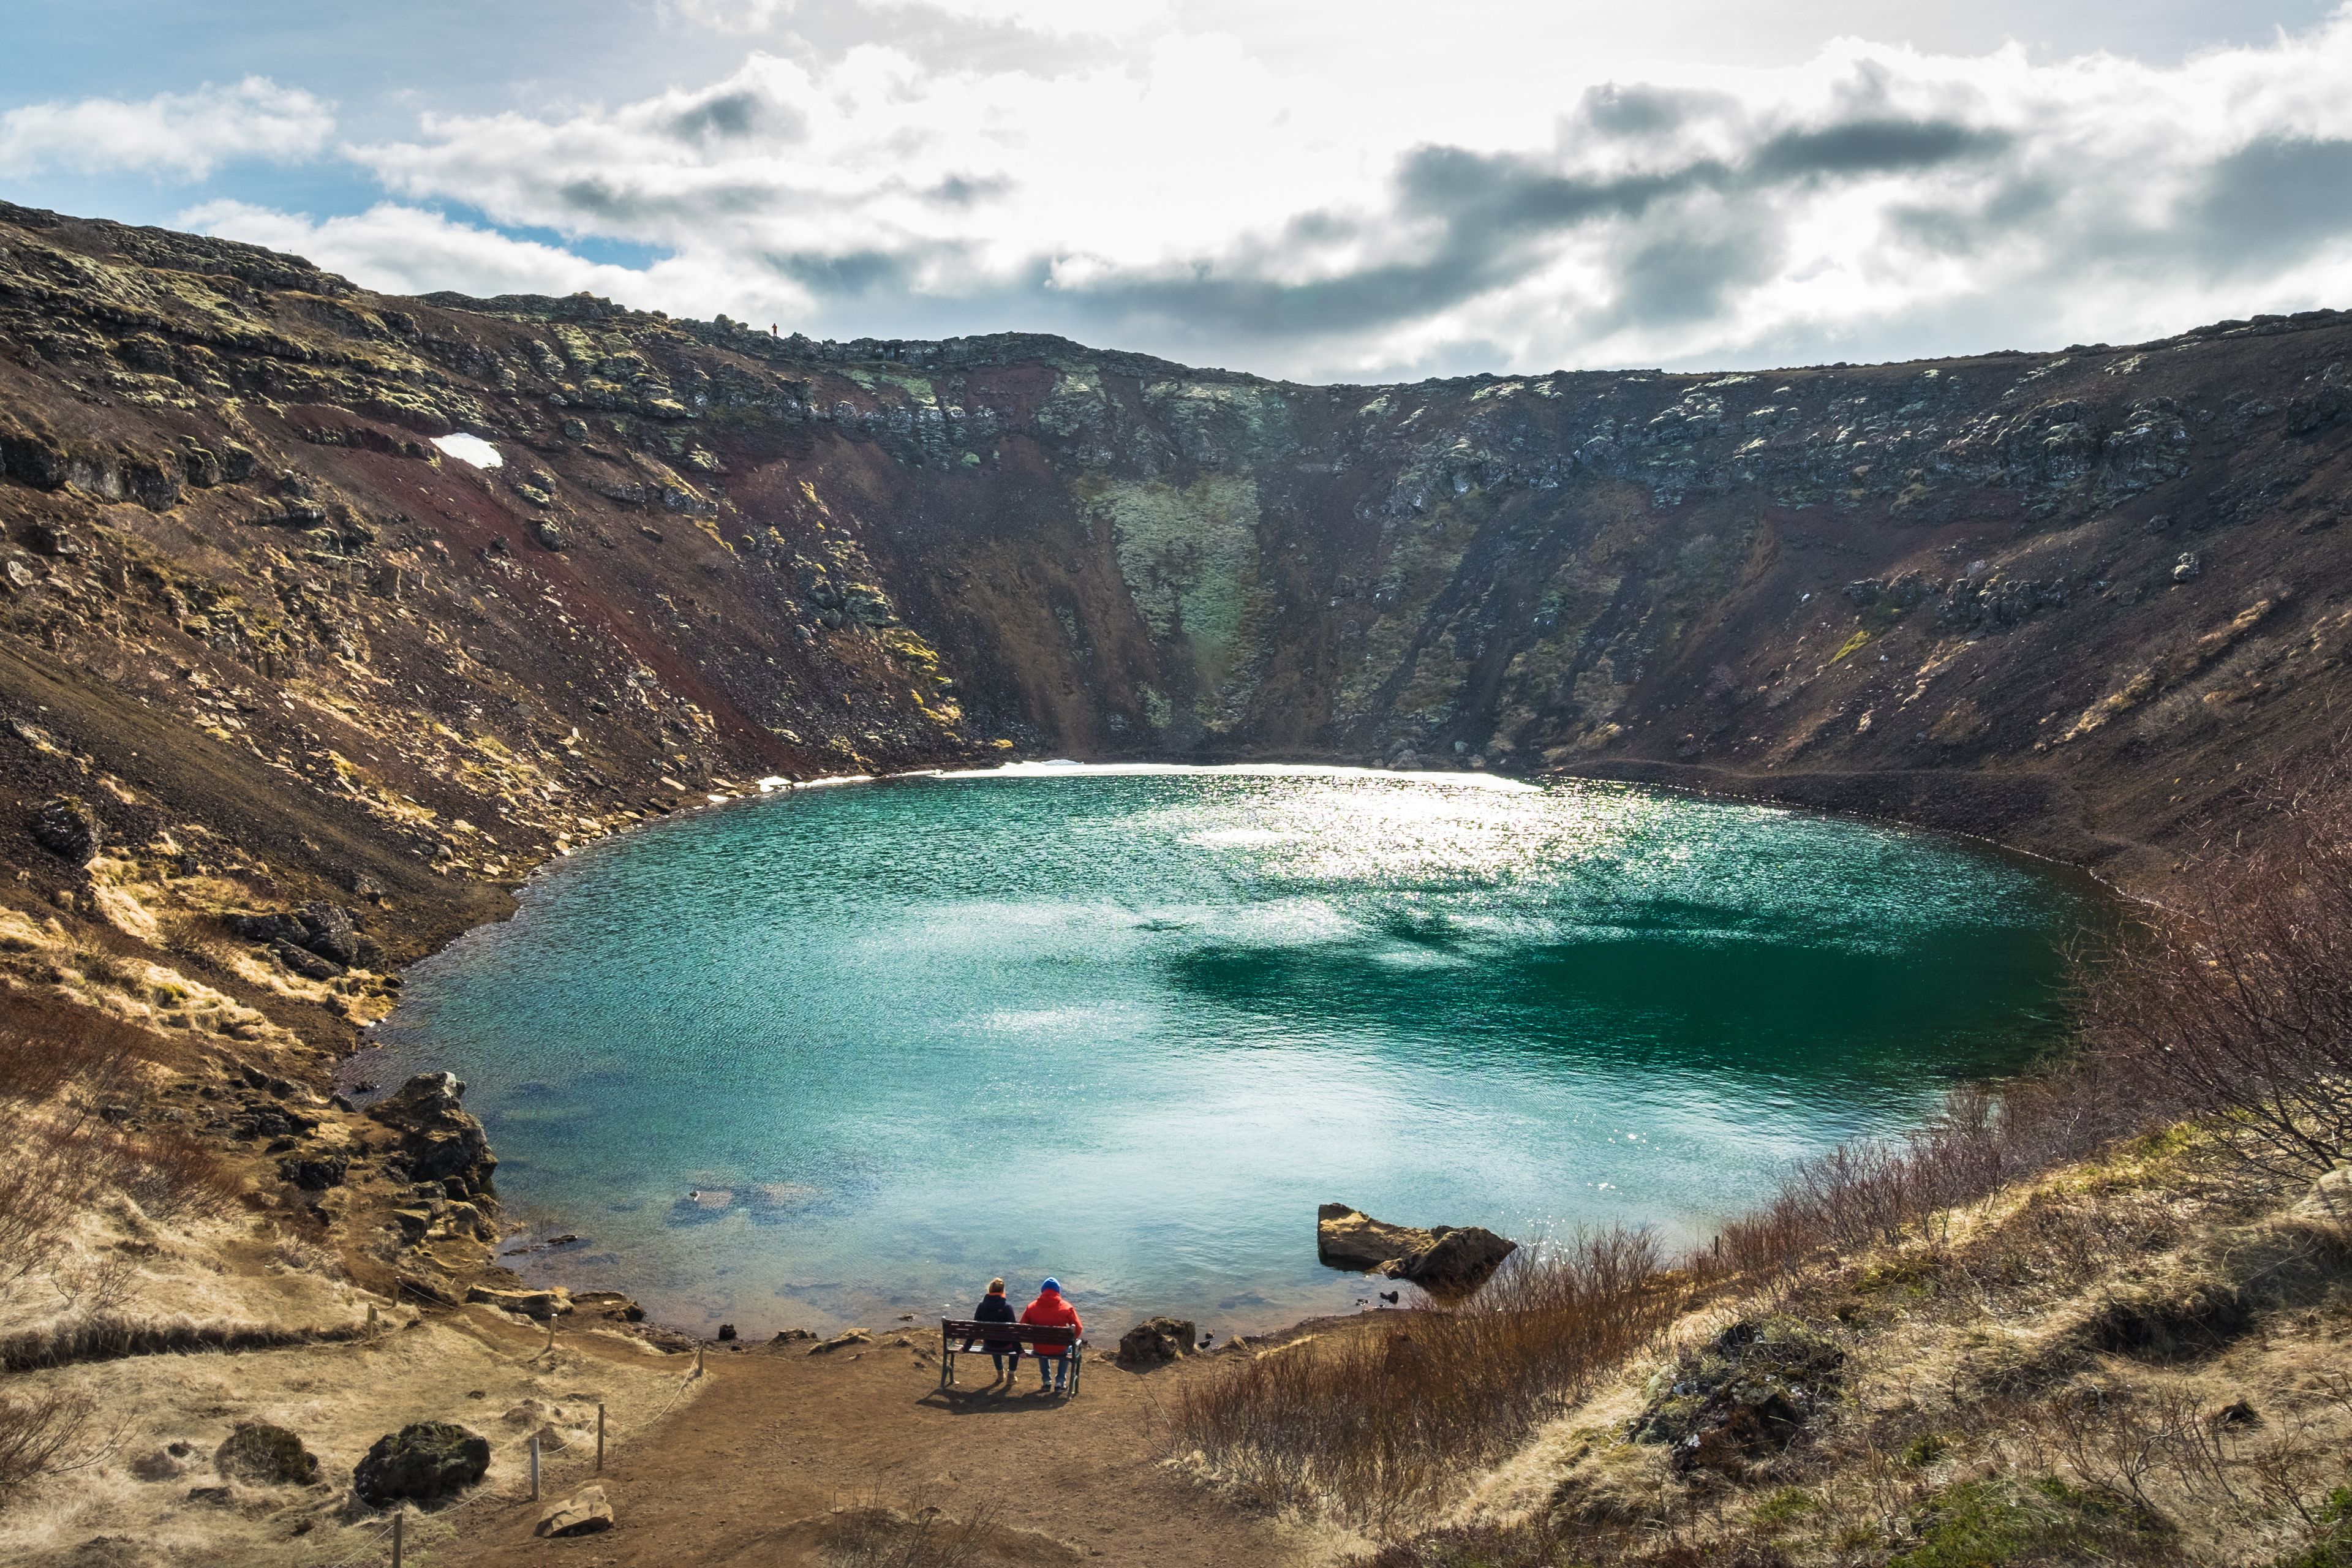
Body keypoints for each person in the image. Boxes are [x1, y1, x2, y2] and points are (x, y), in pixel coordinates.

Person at [1019, 1276, 1082, 1394]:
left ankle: (1047, 1382)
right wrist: (1072, 1339)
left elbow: (1022, 1327)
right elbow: (1078, 1328)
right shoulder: (1067, 1308)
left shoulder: (1031, 1307)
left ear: (1043, 1290)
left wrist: (1034, 1336)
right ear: (1058, 1291)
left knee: (1042, 1345)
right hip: (1060, 1350)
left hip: (1039, 1349)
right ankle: (1060, 1382)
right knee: (1070, 1346)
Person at [972, 1277, 1019, 1381]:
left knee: (992, 1338)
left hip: (989, 1345)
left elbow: (975, 1328)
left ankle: (1000, 1374)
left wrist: (966, 1347)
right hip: (1006, 1345)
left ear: (990, 1290)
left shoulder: (981, 1306)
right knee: (1014, 1346)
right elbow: (1013, 1330)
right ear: (1002, 1291)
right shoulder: (1007, 1307)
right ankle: (1011, 1375)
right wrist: (1020, 1349)